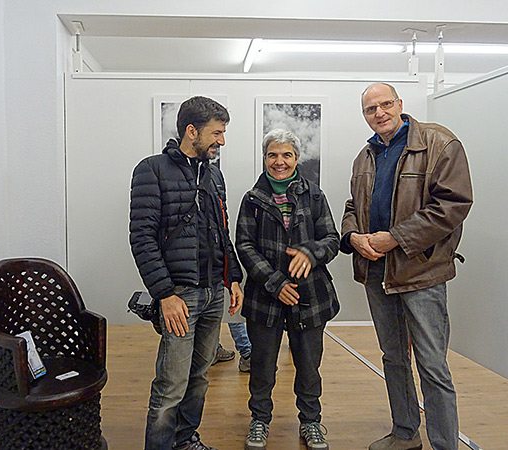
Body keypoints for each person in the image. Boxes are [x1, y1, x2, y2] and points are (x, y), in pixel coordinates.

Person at [340, 83, 473, 450]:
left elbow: (453, 206)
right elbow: (354, 207)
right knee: (394, 358)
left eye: (385, 105)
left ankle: (445, 443)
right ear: (364, 115)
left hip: (422, 273)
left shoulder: (439, 143)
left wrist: (394, 238)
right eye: (370, 109)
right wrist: (354, 238)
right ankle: (404, 433)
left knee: (432, 365)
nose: (379, 113)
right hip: (377, 272)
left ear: (400, 104)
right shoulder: (365, 156)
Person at [129, 96, 244, 450]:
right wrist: (164, 295)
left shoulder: (214, 174)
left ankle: (184, 440)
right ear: (191, 131)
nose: (221, 141)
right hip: (179, 295)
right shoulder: (151, 169)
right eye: (216, 133)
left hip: (213, 292)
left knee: (199, 379)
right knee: (172, 383)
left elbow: (221, 231)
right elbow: (142, 238)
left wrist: (233, 276)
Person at [236, 129, 340, 450]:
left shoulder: (315, 196)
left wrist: (312, 253)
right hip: (266, 298)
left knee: (309, 366)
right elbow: (244, 245)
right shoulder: (252, 199)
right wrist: (276, 282)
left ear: (296, 158)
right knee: (262, 366)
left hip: (310, 298)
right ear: (265, 158)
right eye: (272, 155)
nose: (279, 162)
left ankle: (311, 422)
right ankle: (259, 421)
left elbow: (332, 240)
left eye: (286, 155)